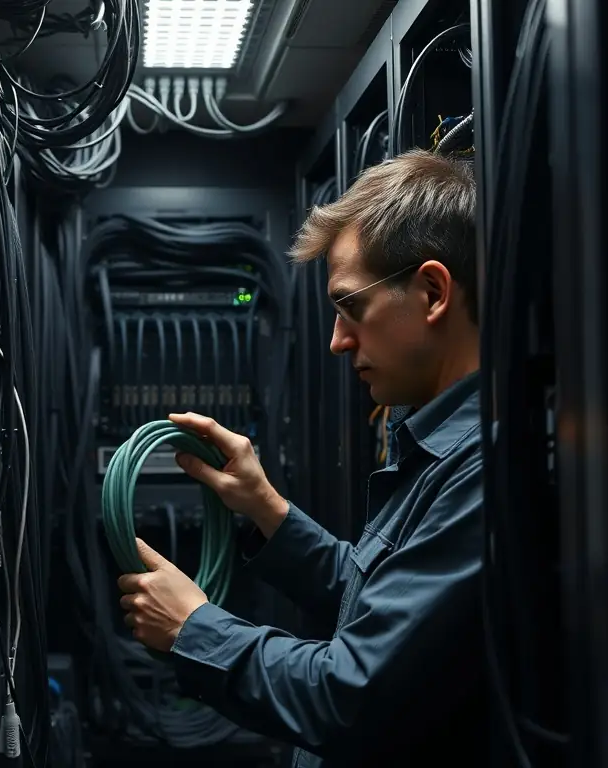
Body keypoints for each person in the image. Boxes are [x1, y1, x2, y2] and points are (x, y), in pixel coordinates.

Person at [117, 149, 486, 767]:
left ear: (431, 291)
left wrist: (195, 628)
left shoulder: (482, 470)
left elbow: (350, 695)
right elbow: (376, 600)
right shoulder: (441, 449)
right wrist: (267, 509)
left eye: (351, 308)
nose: (339, 342)